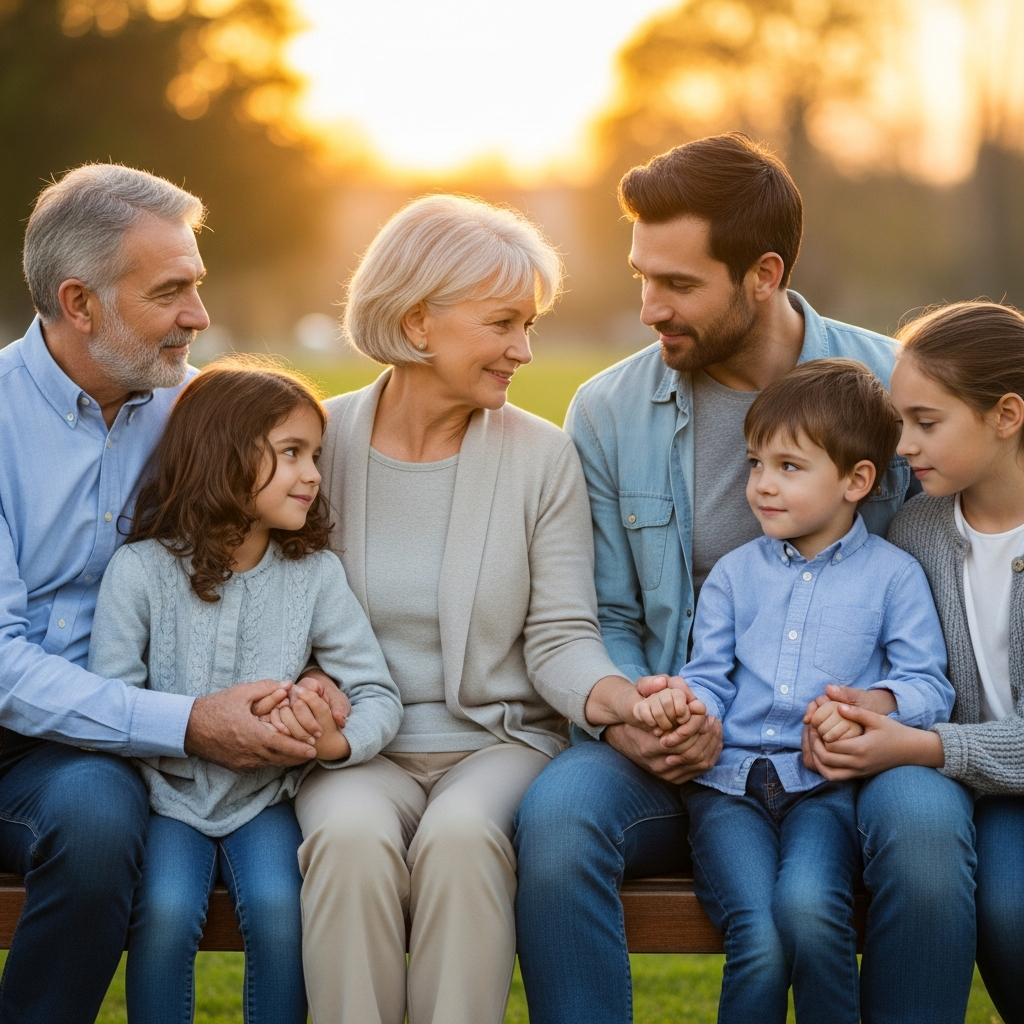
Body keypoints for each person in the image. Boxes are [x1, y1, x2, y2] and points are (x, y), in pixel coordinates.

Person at [514, 133, 977, 1024]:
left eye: (678, 284)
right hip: (678, 742)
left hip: (862, 752)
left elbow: (947, 571)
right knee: (561, 817)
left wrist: (886, 717)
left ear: (762, 275)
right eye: (642, 276)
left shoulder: (891, 389)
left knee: (922, 831)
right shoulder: (609, 410)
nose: (650, 307)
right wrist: (629, 719)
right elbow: (602, 609)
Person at [0, 164, 347, 1023]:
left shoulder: (193, 413)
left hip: (97, 754)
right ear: (80, 304)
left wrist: (321, 678)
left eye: (197, 284)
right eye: (171, 292)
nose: (198, 315)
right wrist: (189, 722)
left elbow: (280, 543)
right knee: (100, 807)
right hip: (30, 725)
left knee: (97, 810)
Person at [294, 194, 643, 1024]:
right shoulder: (317, 445)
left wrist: (620, 699)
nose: (523, 350)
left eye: (528, 325)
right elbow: (278, 603)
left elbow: (560, 635)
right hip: (354, 748)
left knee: (461, 841)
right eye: (502, 324)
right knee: (347, 842)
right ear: (418, 323)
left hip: (499, 742)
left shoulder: (542, 456)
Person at [87, 360, 401, 1023]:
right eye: (291, 454)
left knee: (281, 913)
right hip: (167, 800)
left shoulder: (315, 575)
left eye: (315, 455)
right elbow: (114, 701)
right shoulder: (139, 571)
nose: (314, 474)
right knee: (166, 914)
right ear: (222, 455)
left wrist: (332, 739)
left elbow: (377, 693)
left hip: (267, 800)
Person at [643, 360, 951, 1024]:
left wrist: (878, 705)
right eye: (755, 464)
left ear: (855, 480)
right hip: (729, 792)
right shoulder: (733, 574)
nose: (761, 486)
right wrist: (689, 706)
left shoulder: (894, 577)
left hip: (825, 792)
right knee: (758, 935)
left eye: (788, 467)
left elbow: (929, 683)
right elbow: (709, 674)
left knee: (811, 914)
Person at [805, 300, 1024, 1024]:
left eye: (926, 423)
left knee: (1011, 908)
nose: (902, 445)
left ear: (1007, 414)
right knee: (992, 896)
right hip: (970, 779)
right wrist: (879, 705)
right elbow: (916, 668)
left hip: (988, 769)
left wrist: (926, 744)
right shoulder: (918, 528)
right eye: (900, 422)